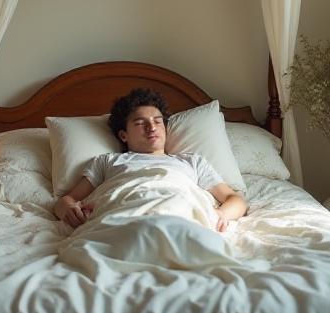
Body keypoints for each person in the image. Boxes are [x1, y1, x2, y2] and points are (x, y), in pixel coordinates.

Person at [54, 88, 248, 232]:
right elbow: (66, 200)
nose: (152, 127)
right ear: (123, 135)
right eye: (140, 123)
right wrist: (68, 209)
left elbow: (236, 200)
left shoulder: (192, 162)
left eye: (157, 121)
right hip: (122, 215)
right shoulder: (108, 161)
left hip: (180, 214)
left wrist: (221, 215)